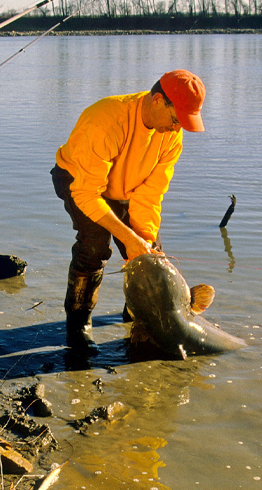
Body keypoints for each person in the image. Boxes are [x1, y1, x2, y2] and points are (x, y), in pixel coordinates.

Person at [51, 70, 205, 347]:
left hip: (125, 188)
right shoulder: (107, 120)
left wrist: (141, 240)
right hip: (78, 180)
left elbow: (150, 195)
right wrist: (127, 238)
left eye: (183, 123)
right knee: (95, 244)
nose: (176, 128)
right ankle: (78, 324)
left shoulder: (171, 136)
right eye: (176, 120)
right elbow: (86, 193)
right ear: (158, 100)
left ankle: (137, 316)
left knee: (149, 255)